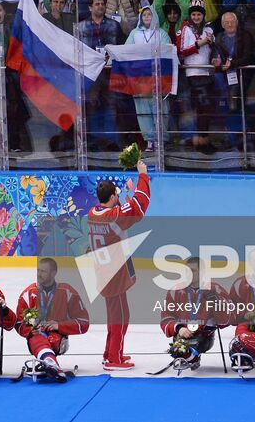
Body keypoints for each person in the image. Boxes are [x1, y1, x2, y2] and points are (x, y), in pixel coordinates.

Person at [89, 157, 151, 369]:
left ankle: (111, 353)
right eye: (117, 194)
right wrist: (142, 175)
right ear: (112, 196)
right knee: (120, 317)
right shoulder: (113, 215)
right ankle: (113, 359)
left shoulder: (95, 213)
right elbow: (139, 206)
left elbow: (124, 214)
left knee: (117, 314)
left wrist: (126, 195)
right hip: (113, 273)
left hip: (105, 271)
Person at [12, 256, 89, 379]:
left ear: (53, 273)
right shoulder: (28, 294)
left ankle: (49, 362)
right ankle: (51, 363)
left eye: (43, 271)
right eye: (38, 271)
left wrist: (59, 325)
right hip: (36, 337)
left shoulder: (67, 291)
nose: (39, 274)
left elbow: (84, 322)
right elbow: (18, 323)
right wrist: (29, 330)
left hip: (58, 337)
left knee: (50, 339)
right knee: (37, 337)